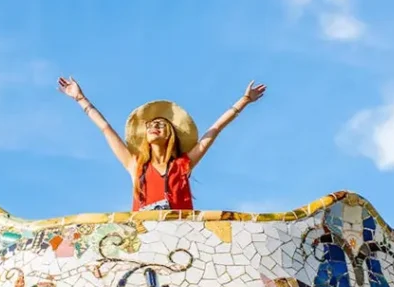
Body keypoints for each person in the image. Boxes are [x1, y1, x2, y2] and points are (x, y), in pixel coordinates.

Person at [57, 76, 266, 211]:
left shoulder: (183, 164)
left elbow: (215, 130)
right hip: (145, 237)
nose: (153, 127)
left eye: (160, 124)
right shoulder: (135, 165)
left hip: (181, 236)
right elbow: (106, 129)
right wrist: (80, 99)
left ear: (171, 134)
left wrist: (244, 101)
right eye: (150, 125)